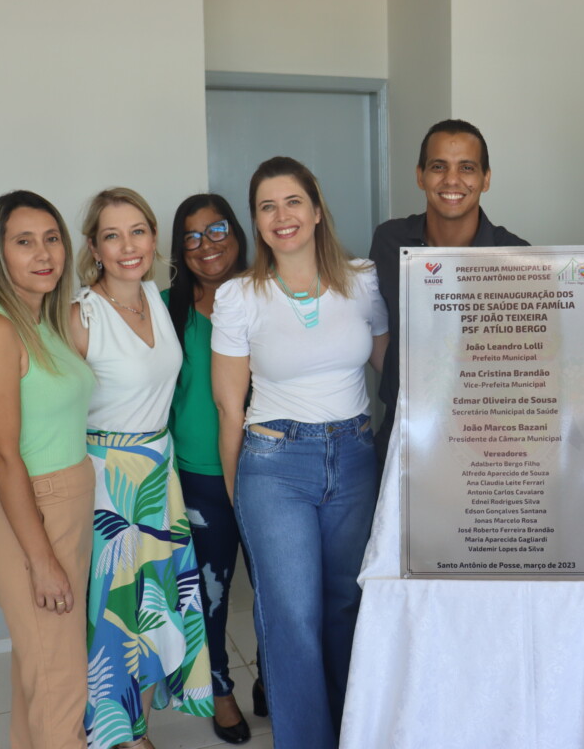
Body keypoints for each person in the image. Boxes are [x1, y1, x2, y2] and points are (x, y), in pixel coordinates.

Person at [211, 157, 388, 749]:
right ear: (257, 222)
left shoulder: (363, 280)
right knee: (292, 617)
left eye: (292, 202)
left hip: (355, 458)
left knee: (346, 606)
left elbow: (393, 373)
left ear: (316, 210)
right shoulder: (239, 296)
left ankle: (350, 734)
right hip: (274, 466)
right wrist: (239, 498)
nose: (281, 216)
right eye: (267, 206)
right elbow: (230, 408)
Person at [73, 188, 213, 749]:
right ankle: (118, 737)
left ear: (154, 239)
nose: (128, 245)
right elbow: (43, 396)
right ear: (94, 248)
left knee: (153, 610)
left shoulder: (155, 297)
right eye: (112, 235)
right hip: (110, 481)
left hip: (160, 472)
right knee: (115, 618)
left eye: (138, 231)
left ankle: (139, 732)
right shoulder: (81, 313)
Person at [0, 191, 95, 749]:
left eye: (52, 238)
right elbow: (4, 454)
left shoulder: (44, 321)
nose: (44, 254)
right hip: (33, 519)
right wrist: (42, 562)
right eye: (24, 241)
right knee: (61, 689)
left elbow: (21, 426)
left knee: (40, 678)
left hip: (66, 507)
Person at [368, 118, 528, 462]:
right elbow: (375, 326)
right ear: (420, 176)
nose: (452, 180)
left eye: (466, 168)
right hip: (402, 433)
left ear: (486, 179)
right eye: (438, 167)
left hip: (485, 440)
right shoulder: (389, 241)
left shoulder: (516, 256)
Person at [163, 193, 257, 744]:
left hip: (269, 471)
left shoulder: (266, 294)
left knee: (278, 591)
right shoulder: (162, 309)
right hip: (198, 476)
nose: (207, 245)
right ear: (180, 250)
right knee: (210, 596)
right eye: (192, 237)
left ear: (237, 233)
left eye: (217, 229)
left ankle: (273, 677)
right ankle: (220, 689)